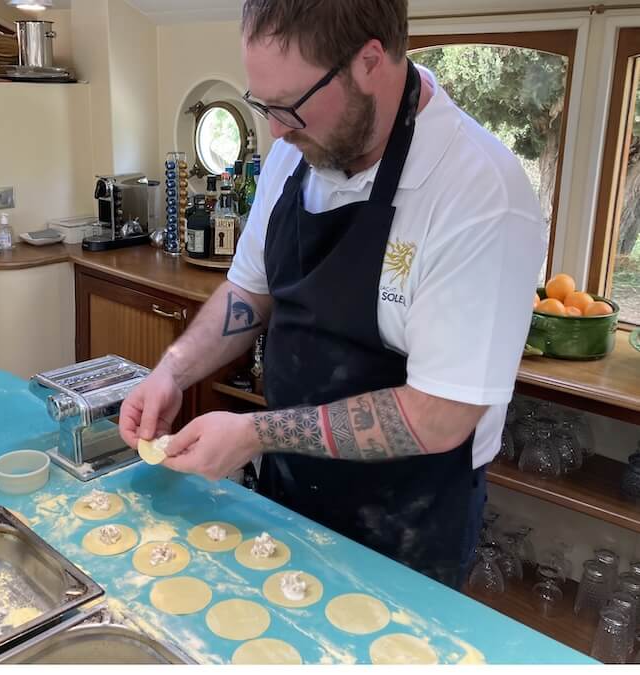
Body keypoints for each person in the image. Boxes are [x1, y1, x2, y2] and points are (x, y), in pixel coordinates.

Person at [119, 0, 546, 588]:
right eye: (261, 105)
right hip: (287, 493)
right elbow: (249, 289)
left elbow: (439, 416)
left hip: (406, 530)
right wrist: (173, 370)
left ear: (370, 61)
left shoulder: (480, 193)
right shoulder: (295, 150)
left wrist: (252, 434)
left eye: (289, 106)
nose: (274, 129)